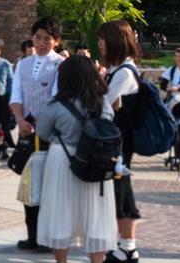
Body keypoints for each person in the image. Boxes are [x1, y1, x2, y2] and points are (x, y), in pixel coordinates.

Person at [35, 55, 117, 263]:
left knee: (60, 213)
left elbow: (43, 132)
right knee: (96, 217)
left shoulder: (55, 106)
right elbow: (108, 129)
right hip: (95, 160)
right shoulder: (103, 104)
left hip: (63, 159)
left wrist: (59, 137)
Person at [10, 17, 65, 252]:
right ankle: (32, 234)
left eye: (47, 39)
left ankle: (47, 236)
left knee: (48, 184)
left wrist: (43, 123)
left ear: (57, 41)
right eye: (38, 37)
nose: (41, 43)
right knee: (29, 182)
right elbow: (16, 95)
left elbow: (57, 97)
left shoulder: (60, 64)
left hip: (49, 134)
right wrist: (20, 119)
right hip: (26, 129)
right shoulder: (23, 64)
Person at [98, 21, 143, 263]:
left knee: (123, 193)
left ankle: (128, 248)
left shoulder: (125, 72)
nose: (100, 44)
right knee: (119, 193)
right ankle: (124, 246)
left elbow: (103, 105)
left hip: (120, 144)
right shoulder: (117, 70)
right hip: (116, 142)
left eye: (103, 39)